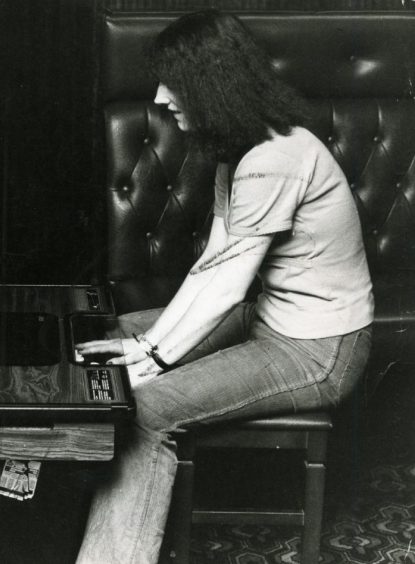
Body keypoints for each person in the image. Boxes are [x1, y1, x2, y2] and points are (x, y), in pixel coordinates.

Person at [74, 9, 373, 564]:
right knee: (105, 341)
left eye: (174, 82)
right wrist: (143, 347)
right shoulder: (238, 151)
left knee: (143, 408)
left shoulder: (277, 155)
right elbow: (213, 263)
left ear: (213, 82)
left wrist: (154, 363)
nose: (162, 98)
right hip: (269, 321)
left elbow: (229, 285)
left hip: (317, 349)